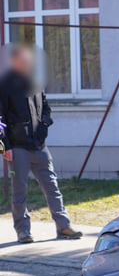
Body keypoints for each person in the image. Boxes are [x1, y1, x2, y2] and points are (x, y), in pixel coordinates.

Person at [0, 45, 81, 243]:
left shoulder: (35, 81)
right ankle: (23, 231)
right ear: (14, 62)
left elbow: (45, 107)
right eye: (23, 60)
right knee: (20, 191)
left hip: (39, 146)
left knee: (52, 186)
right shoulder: (4, 85)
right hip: (17, 148)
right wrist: (4, 145)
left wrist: (44, 125)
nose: (28, 63)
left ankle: (64, 227)